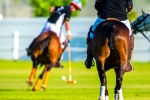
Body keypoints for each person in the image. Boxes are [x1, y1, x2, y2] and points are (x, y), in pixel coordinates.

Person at [26, 0, 82, 67]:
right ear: (73, 6)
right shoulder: (69, 10)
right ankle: (57, 60)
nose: (75, 10)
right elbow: (67, 23)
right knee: (63, 43)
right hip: (55, 27)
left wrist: (52, 15)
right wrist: (68, 33)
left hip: (47, 24)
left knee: (39, 37)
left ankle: (30, 49)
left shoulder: (62, 7)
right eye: (76, 8)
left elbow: (51, 8)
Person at [85, 0, 134, 72]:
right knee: (130, 36)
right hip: (122, 18)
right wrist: (129, 9)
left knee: (91, 33)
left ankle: (89, 58)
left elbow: (97, 6)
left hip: (105, 17)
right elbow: (129, 5)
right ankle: (127, 62)